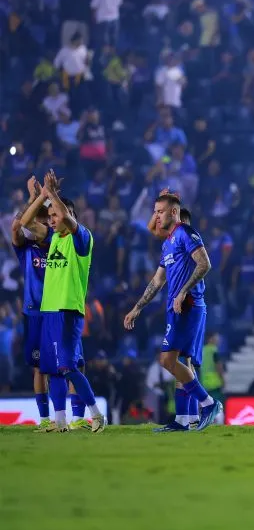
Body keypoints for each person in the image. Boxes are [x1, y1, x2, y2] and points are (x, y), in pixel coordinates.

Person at [124, 192, 221, 432]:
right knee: (181, 363)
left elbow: (205, 263)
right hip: (175, 306)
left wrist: (183, 291)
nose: (156, 217)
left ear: (174, 212)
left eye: (160, 212)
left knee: (167, 360)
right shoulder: (167, 244)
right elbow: (157, 281)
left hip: (188, 304)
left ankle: (209, 403)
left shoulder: (185, 233)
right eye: (155, 212)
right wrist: (137, 307)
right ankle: (183, 419)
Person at [36, 171, 106, 432]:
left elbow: (65, 216)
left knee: (68, 367)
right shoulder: (54, 238)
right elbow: (27, 223)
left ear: (69, 216)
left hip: (68, 310)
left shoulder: (82, 238)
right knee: (53, 370)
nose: (52, 220)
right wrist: (41, 196)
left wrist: (53, 193)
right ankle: (61, 421)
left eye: (55, 215)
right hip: (49, 310)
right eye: (50, 216)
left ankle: (96, 414)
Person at [12, 177, 52, 430]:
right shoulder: (25, 249)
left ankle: (69, 417)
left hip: (56, 310)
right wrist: (32, 198)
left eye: (46, 219)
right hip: (34, 314)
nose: (43, 223)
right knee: (39, 368)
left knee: (65, 366)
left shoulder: (56, 242)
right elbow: (16, 226)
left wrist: (45, 196)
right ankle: (45, 419)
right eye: (40, 219)